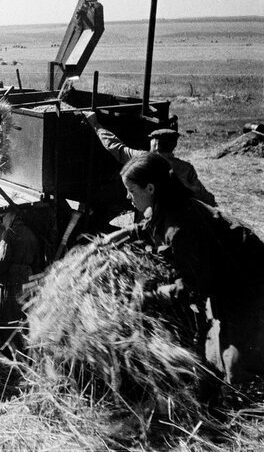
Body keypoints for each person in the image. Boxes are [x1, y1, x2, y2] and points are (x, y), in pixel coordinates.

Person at [110, 153, 264, 385]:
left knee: (238, 376)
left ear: (150, 188)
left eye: (131, 190)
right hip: (228, 275)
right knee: (217, 358)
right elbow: (150, 225)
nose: (127, 197)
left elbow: (191, 289)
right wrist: (125, 233)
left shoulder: (181, 227)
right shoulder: (169, 202)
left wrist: (148, 296)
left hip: (248, 280)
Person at [83, 111, 216, 206]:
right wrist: (211, 203)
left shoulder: (144, 159)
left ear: (156, 144)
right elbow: (201, 193)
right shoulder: (186, 168)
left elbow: (116, 147)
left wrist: (96, 125)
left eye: (152, 140)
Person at [0, 210, 46, 329]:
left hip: (12, 279)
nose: (1, 222)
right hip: (28, 279)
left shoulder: (9, 233)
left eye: (2, 218)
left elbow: (2, 260)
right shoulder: (32, 233)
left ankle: (9, 344)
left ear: (11, 216)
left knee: (9, 315)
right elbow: (38, 262)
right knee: (25, 313)